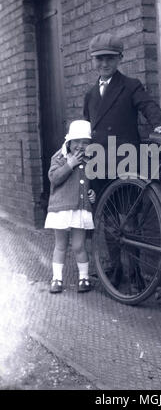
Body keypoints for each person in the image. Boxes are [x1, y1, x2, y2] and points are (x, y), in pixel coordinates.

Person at [83, 32, 161, 194]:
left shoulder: (130, 86)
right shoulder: (90, 94)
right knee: (102, 209)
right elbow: (87, 126)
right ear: (92, 60)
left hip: (124, 159)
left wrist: (159, 124)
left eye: (110, 58)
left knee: (128, 211)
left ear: (120, 58)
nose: (104, 63)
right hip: (98, 161)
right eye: (99, 58)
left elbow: (148, 105)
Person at [45, 120, 96, 294]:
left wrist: (92, 194)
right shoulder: (59, 157)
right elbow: (54, 178)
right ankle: (56, 279)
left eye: (85, 142)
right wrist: (70, 164)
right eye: (77, 142)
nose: (81, 146)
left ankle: (84, 278)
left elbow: (89, 182)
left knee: (78, 246)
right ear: (69, 142)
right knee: (60, 245)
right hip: (61, 208)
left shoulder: (90, 160)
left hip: (80, 208)